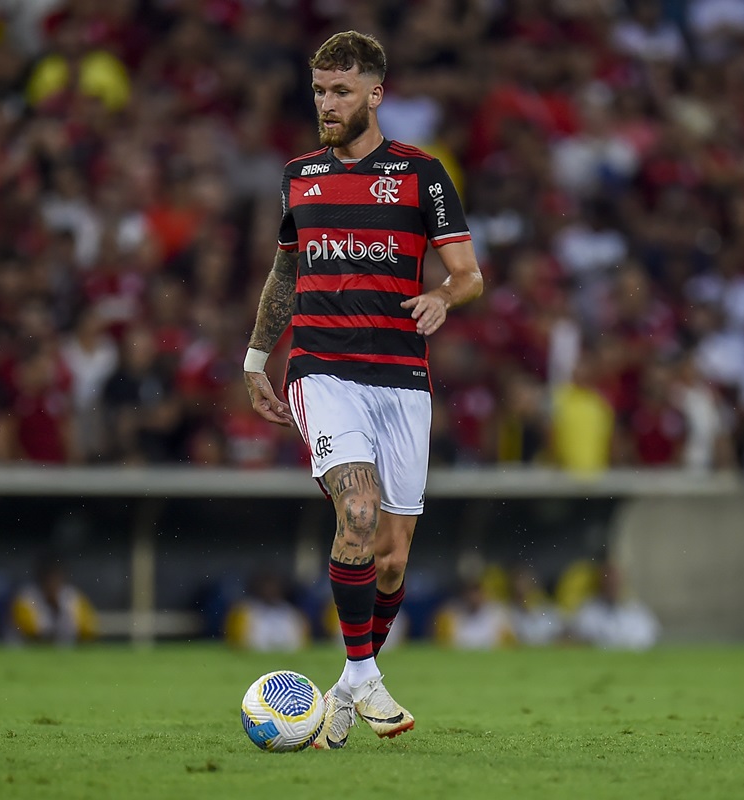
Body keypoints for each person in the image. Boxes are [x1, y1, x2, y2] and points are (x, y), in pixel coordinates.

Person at [242, 31, 483, 748]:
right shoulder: (298, 175)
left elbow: (469, 273)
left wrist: (444, 297)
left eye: (341, 91)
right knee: (357, 508)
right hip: (322, 369)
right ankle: (369, 678)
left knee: (391, 555)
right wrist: (259, 356)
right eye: (319, 90)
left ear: (376, 93)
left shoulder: (422, 175)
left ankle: (346, 688)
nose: (327, 103)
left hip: (403, 378)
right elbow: (286, 273)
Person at [11, 556, 97, 645]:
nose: (52, 583)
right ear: (40, 578)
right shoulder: (26, 597)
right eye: (49, 578)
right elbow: (31, 632)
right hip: (30, 650)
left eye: (56, 577)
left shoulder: (72, 596)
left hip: (67, 650)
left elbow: (86, 630)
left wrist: (58, 608)